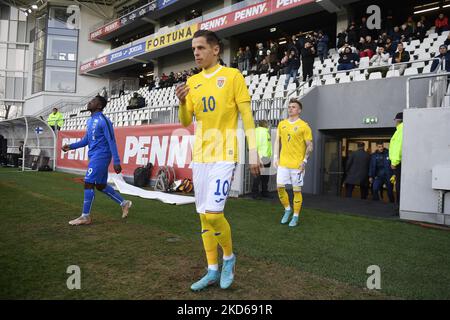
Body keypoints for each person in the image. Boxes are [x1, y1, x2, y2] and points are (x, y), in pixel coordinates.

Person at [176, 30, 260, 291]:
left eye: (200, 48)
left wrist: (254, 152)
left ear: (215, 50)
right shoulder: (193, 82)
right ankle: (212, 269)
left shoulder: (233, 76)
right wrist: (181, 102)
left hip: (225, 155)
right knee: (203, 217)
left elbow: (246, 116)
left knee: (214, 214)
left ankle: (229, 258)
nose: (196, 53)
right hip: (200, 156)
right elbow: (186, 121)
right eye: (193, 49)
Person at [61, 96, 132, 226]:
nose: (89, 102)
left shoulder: (104, 121)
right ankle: (124, 203)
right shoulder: (90, 121)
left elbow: (112, 141)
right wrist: (70, 146)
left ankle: (85, 216)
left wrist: (116, 161)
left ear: (99, 106)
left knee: (88, 183)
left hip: (102, 156)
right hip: (94, 156)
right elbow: (85, 141)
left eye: (93, 101)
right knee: (100, 185)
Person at [274, 98, 313, 228]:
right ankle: (287, 209)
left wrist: (304, 161)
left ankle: (295, 216)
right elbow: (277, 141)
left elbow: (310, 146)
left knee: (296, 191)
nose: (290, 109)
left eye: (293, 107)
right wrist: (275, 156)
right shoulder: (282, 124)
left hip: (297, 165)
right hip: (283, 163)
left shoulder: (304, 126)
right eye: (289, 107)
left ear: (299, 110)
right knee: (280, 188)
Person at [252, 120, 272, 199]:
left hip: (263, 157)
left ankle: (260, 193)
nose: (268, 125)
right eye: (267, 123)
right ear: (265, 124)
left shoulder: (261, 132)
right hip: (262, 157)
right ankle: (258, 193)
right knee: (261, 177)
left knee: (260, 177)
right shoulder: (262, 132)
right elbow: (256, 145)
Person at [389, 112, 403, 215]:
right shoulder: (401, 129)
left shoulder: (401, 130)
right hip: (399, 162)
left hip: (398, 163)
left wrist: (394, 162)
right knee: (398, 184)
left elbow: (398, 147)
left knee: (399, 185)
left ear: (398, 120)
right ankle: (398, 205)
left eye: (396, 120)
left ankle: (398, 206)